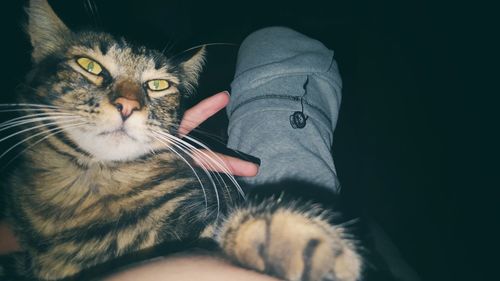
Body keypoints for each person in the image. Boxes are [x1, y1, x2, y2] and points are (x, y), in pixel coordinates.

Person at [1, 27, 418, 280]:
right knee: (290, 168)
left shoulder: (19, 210)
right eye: (92, 68)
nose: (127, 101)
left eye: (158, 85)